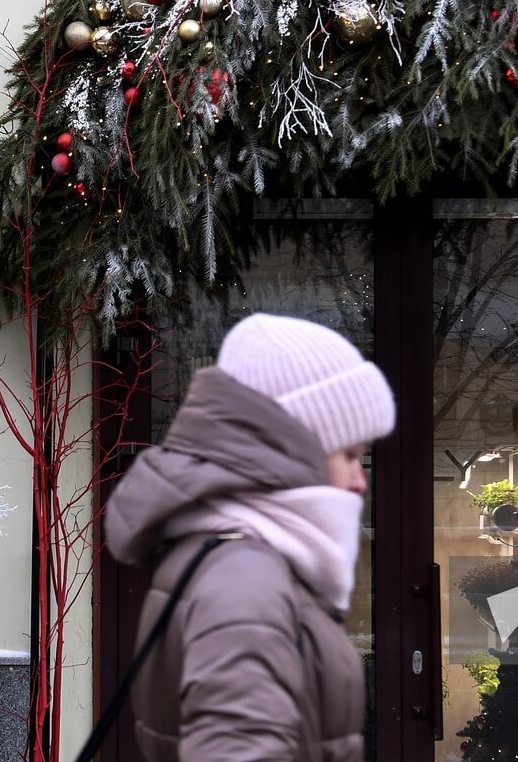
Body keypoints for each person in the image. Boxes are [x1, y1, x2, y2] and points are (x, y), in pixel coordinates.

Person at [105, 312, 395, 762]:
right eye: (350, 454)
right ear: (290, 448)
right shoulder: (245, 579)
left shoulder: (233, 558)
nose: (361, 480)